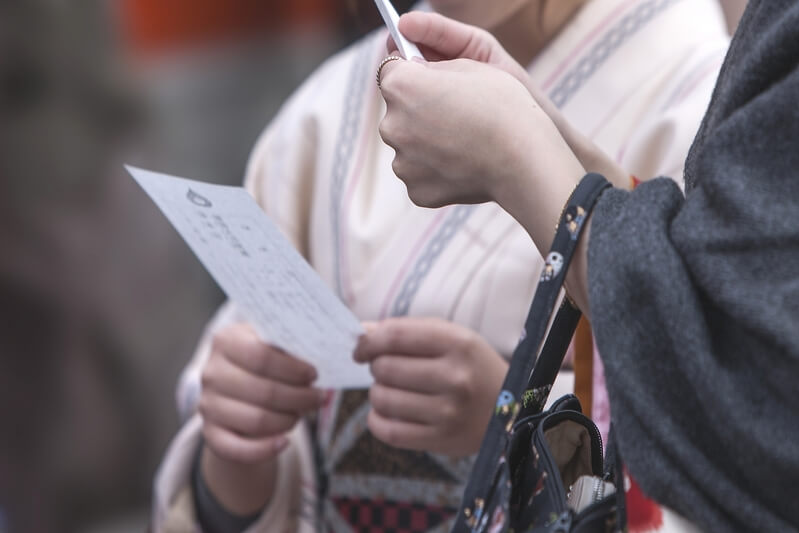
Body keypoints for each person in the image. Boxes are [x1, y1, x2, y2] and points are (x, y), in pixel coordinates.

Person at [152, 1, 731, 531]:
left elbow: (726, 435)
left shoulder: (705, 99)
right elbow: (240, 451)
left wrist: (512, 423)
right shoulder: (323, 115)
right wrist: (237, 447)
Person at [376, 1, 799, 531]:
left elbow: (755, 381)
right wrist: (543, 135)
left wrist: (516, 155)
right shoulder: (326, 102)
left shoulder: (689, 59)